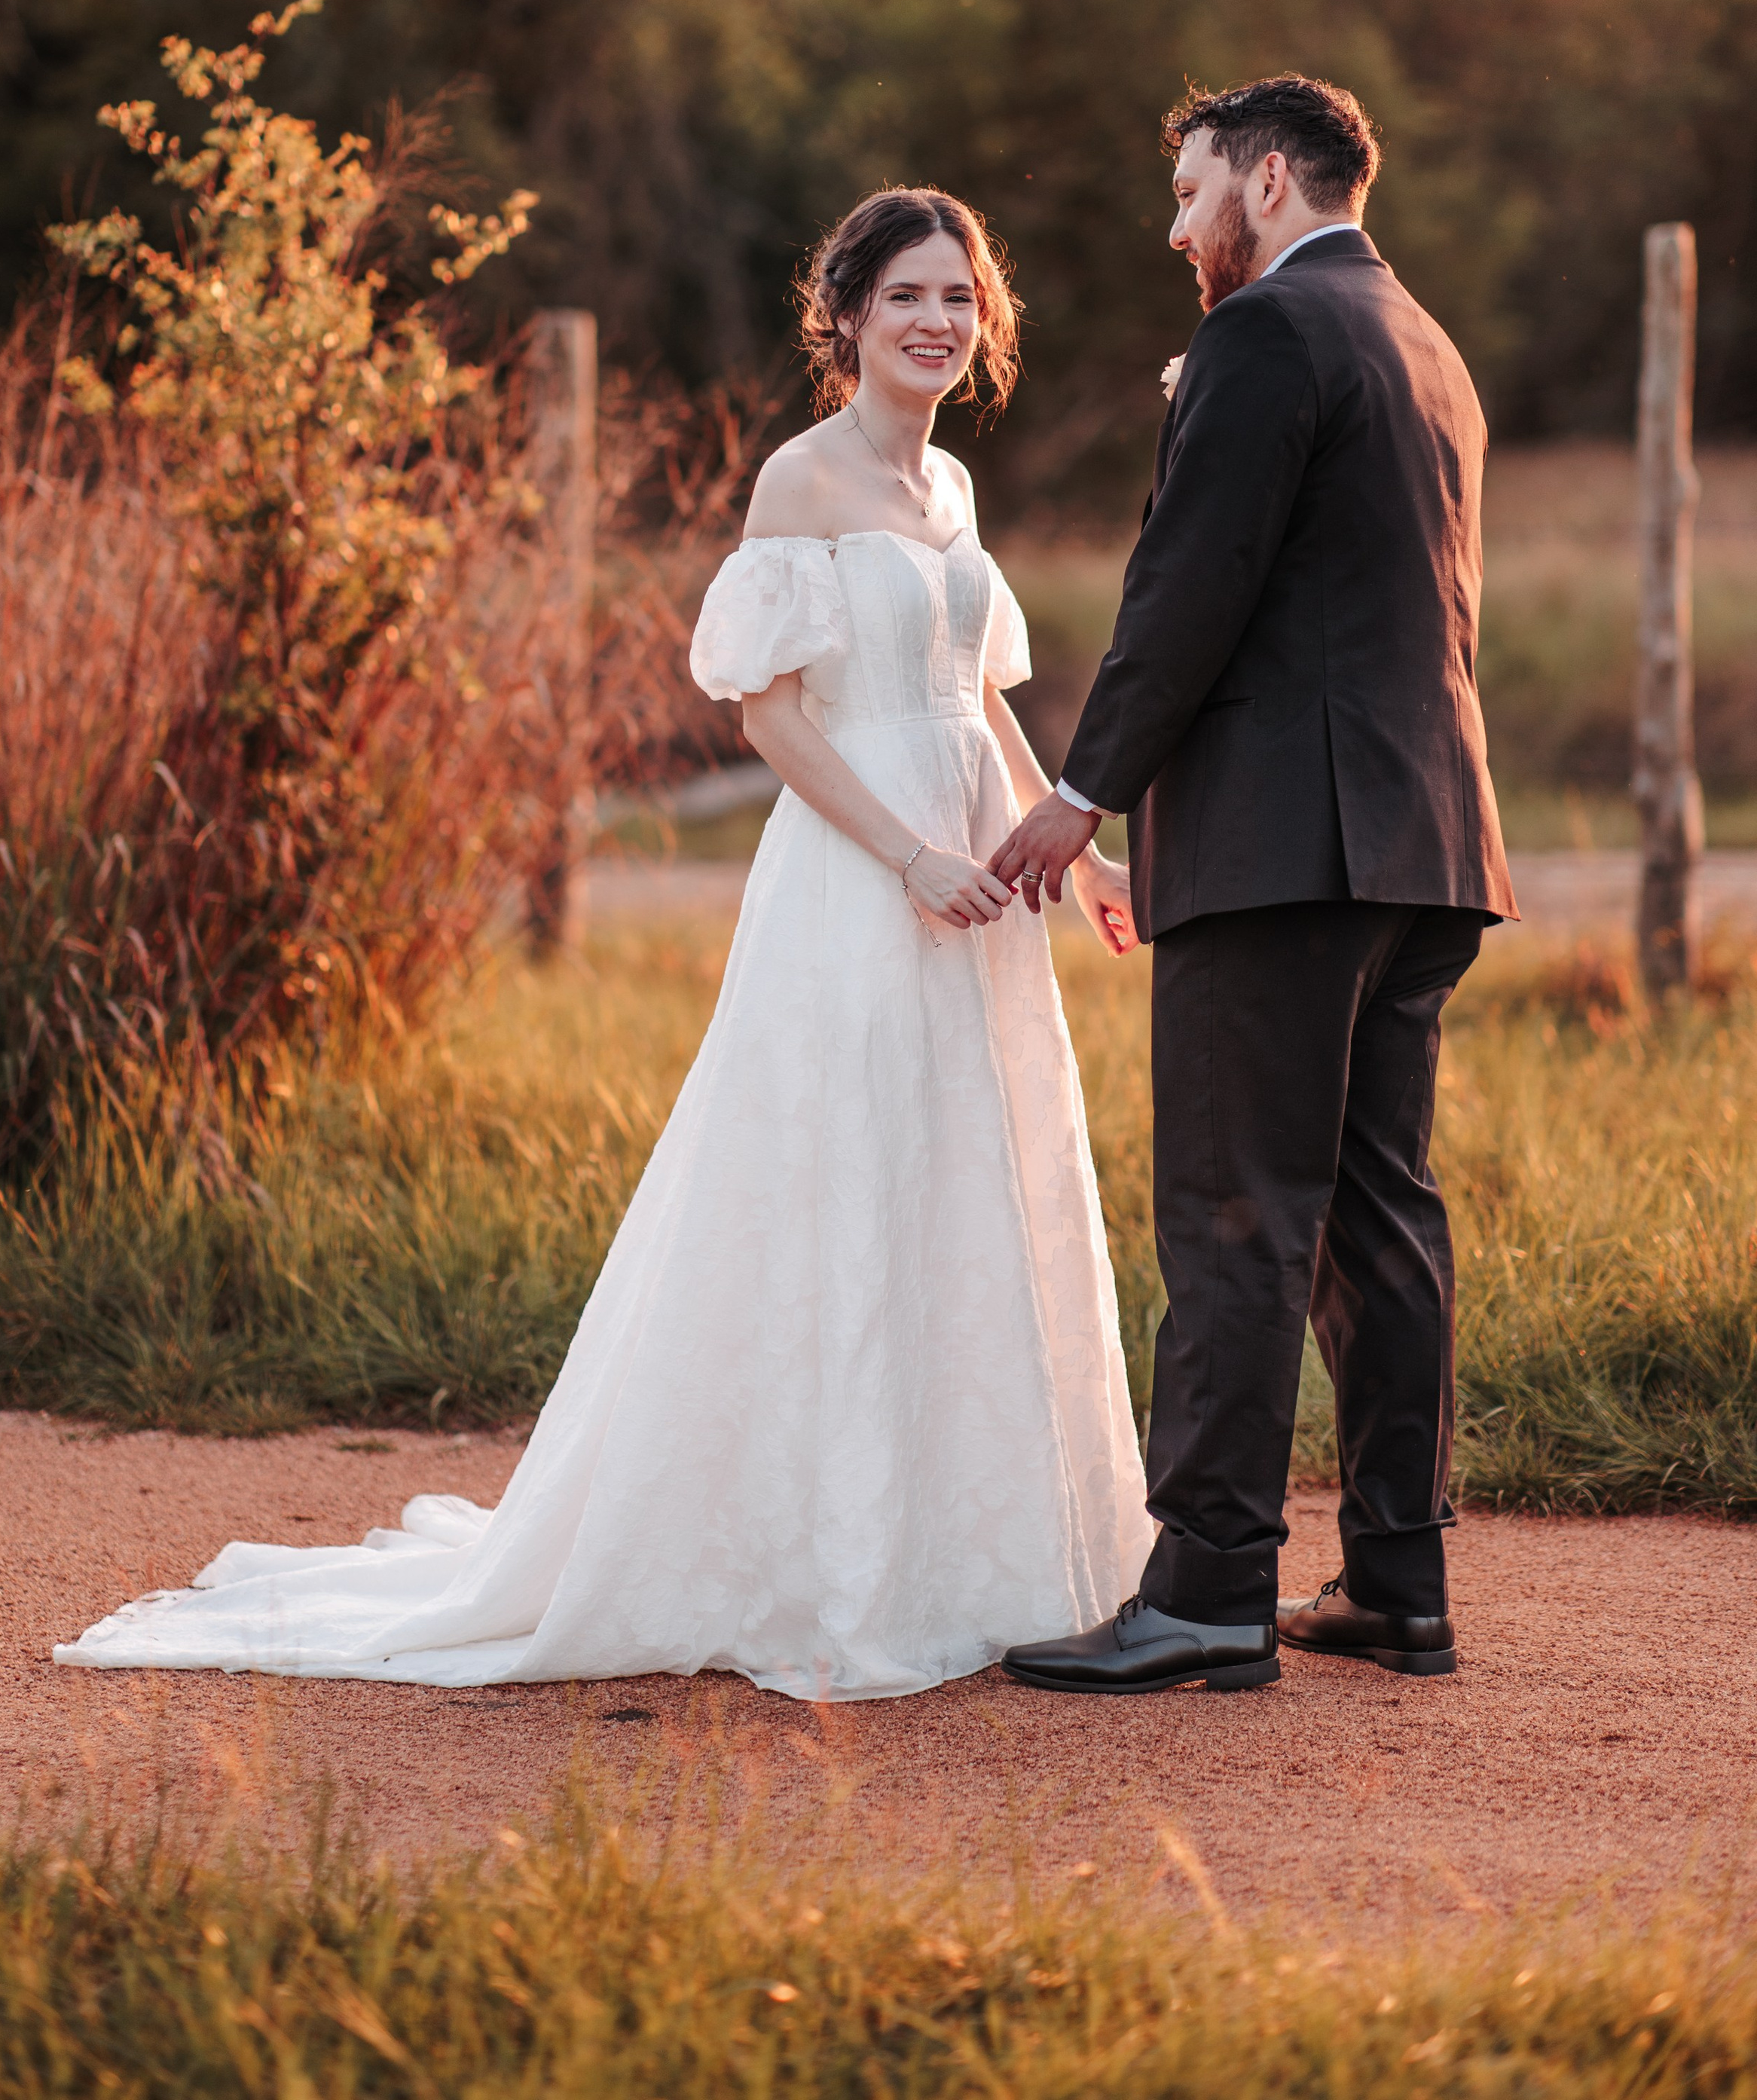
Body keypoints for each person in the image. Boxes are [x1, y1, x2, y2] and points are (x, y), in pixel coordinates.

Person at [56, 188, 1152, 1701]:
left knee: (961, 1185)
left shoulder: (949, 492)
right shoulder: (802, 479)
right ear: (841, 320)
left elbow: (977, 698)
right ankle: (823, 1562)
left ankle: (964, 1554)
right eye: (904, 296)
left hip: (979, 887)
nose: (933, 324)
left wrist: (1064, 844)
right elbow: (766, 710)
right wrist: (905, 854)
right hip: (860, 877)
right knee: (836, 1183)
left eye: (957, 299)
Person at [991, 74, 1515, 1697]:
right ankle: (1394, 1584)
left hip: (1287, 851)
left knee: (1232, 1214)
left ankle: (1209, 1585)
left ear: (1268, 181)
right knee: (1376, 1215)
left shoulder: (1264, 338)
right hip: (1421, 845)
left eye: (1190, 190)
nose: (1175, 227)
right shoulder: (1424, 345)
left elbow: (1189, 589)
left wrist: (1081, 794)